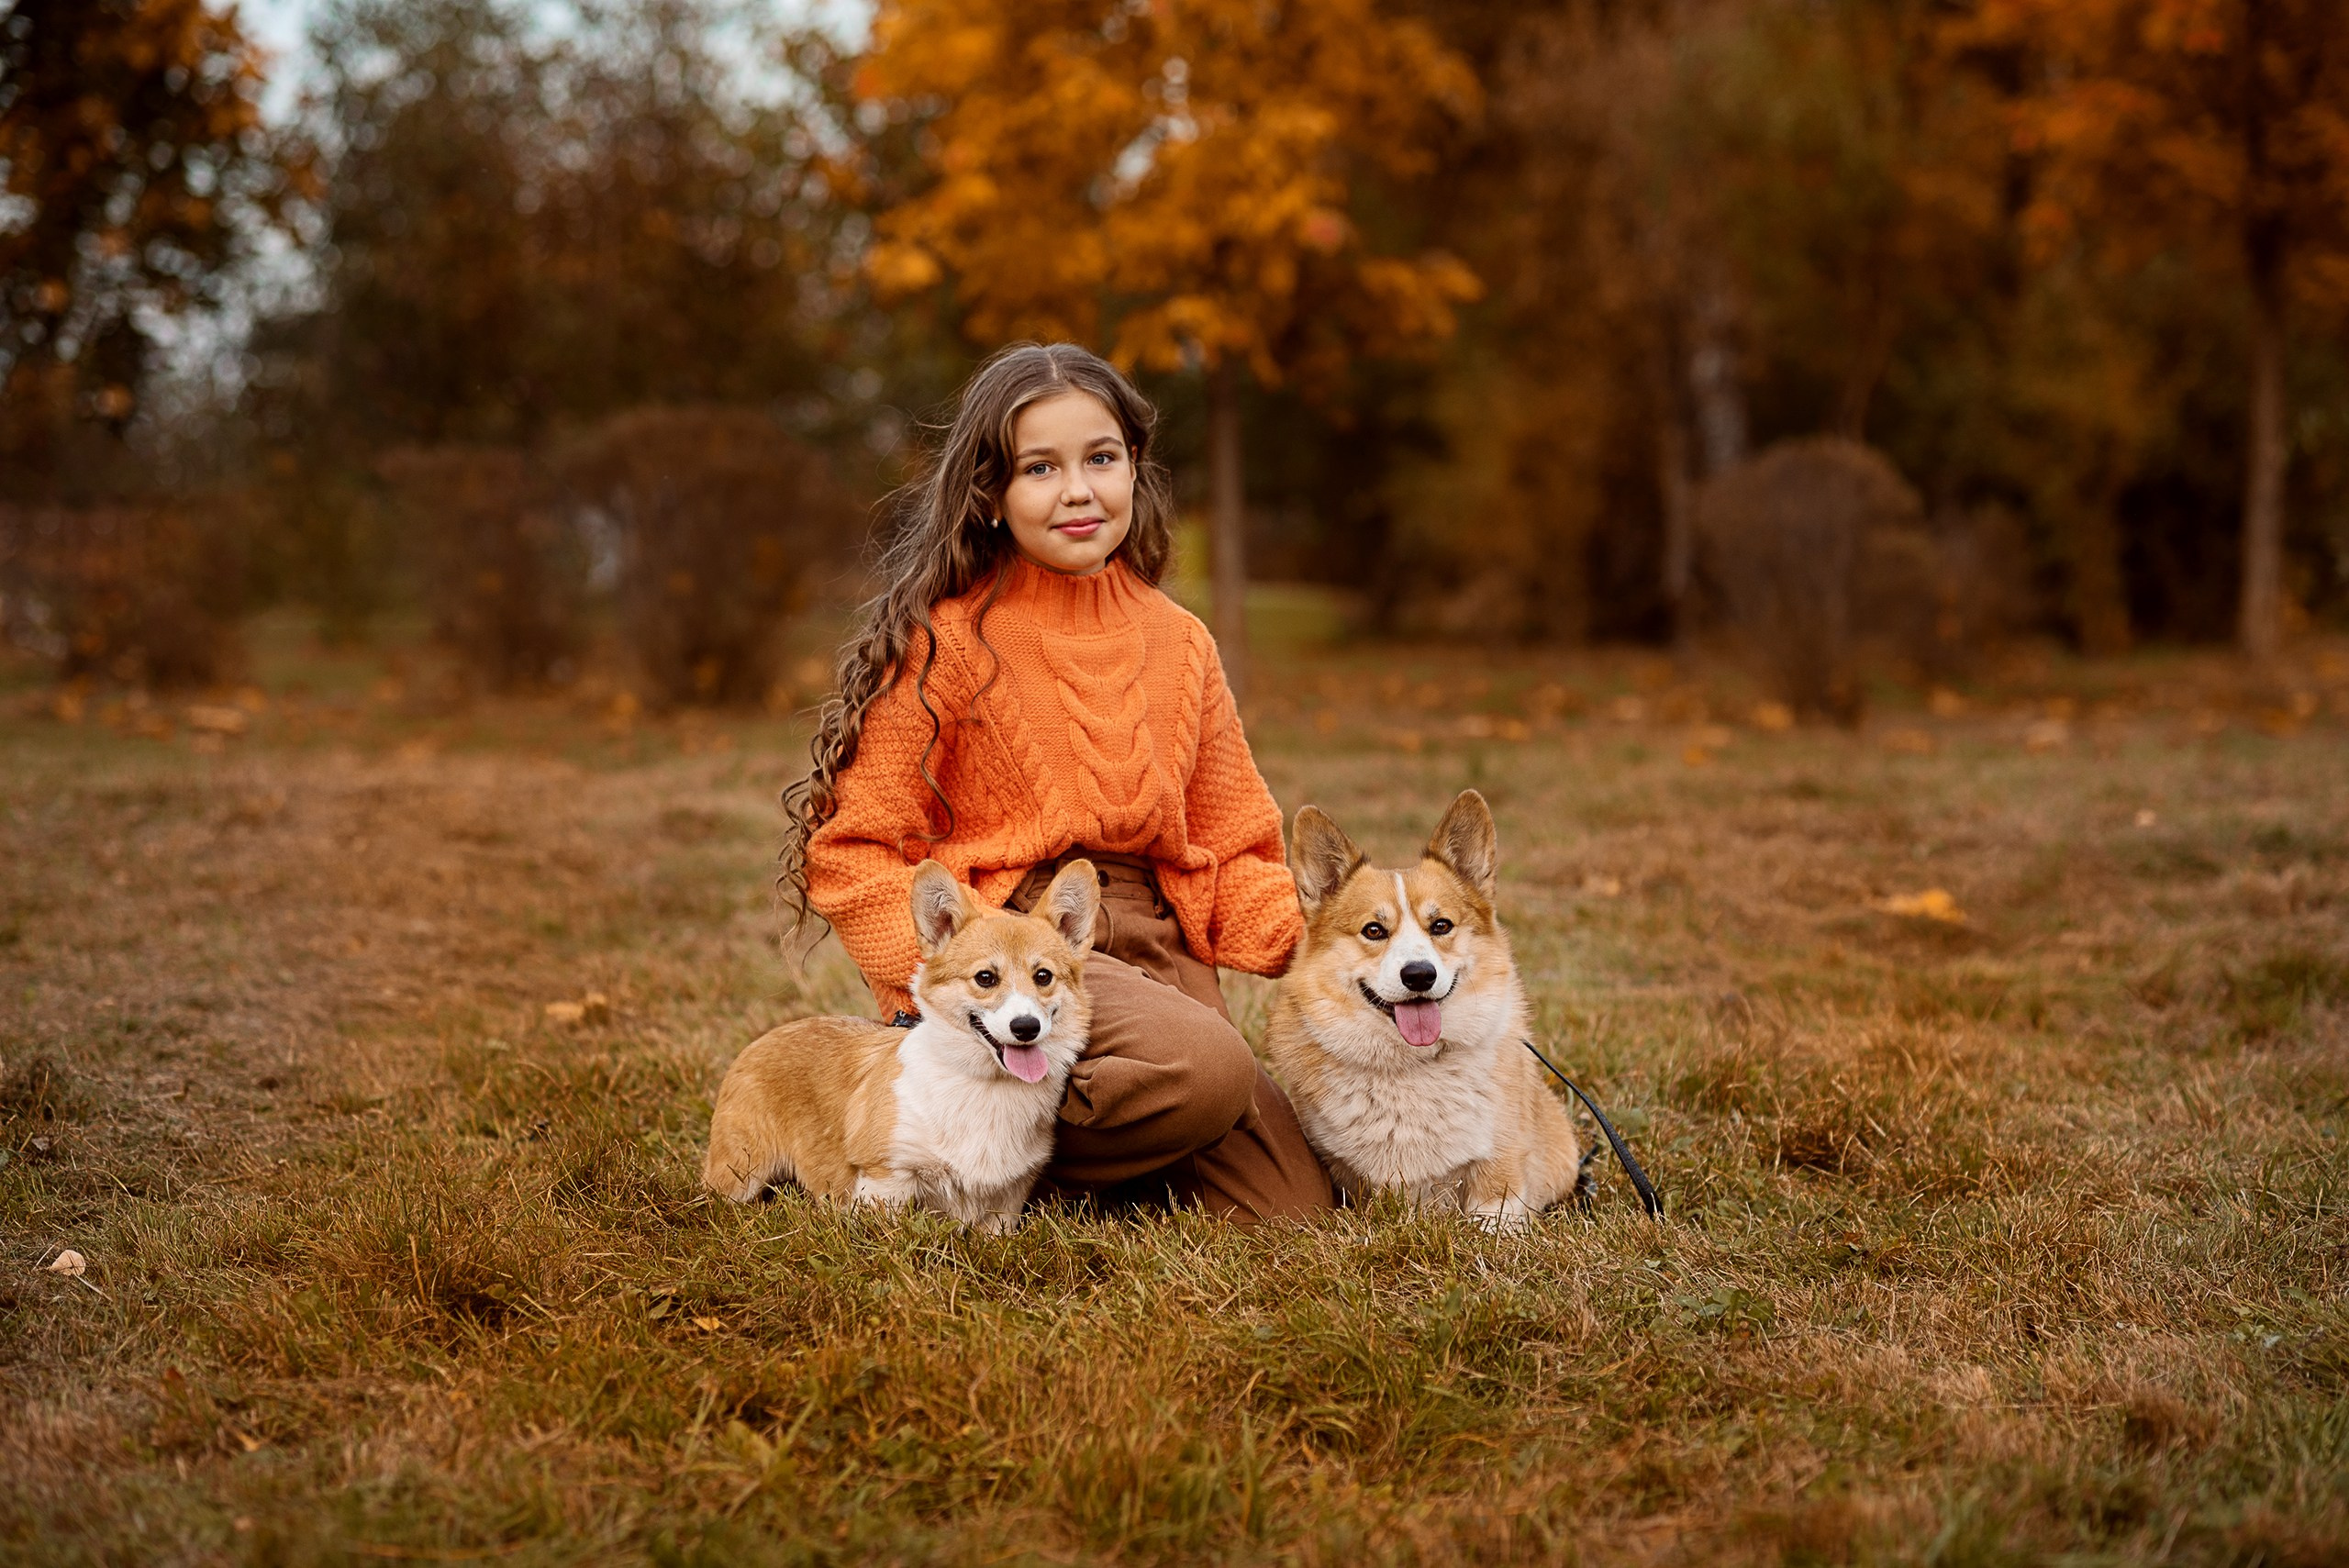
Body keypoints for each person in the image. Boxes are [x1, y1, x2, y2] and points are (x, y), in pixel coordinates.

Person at [777, 342, 1333, 1223]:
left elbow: (1234, 850)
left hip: (1156, 944)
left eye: (1100, 458)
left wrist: (1343, 943)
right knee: (1209, 1073)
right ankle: (957, 1152)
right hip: (1019, 939)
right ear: (991, 496)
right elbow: (854, 849)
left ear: (1135, 467)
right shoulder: (949, 641)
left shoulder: (1182, 642)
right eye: (1041, 468)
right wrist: (936, 966)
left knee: (1291, 1207)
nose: (1079, 490)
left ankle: (1047, 1160)